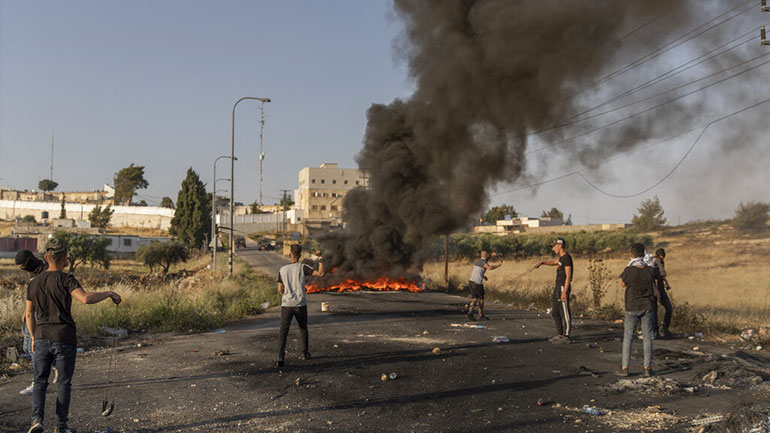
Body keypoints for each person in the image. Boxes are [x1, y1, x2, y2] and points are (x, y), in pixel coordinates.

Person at [25, 238, 122, 433]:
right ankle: (61, 427)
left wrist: (34, 338)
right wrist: (109, 293)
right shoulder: (67, 279)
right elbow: (85, 299)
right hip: (64, 338)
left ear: (46, 258)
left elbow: (29, 314)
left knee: (40, 381)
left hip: (42, 337)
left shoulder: (34, 283)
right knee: (63, 383)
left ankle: (37, 421)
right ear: (66, 259)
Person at [15, 250, 56, 396]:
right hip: (32, 313)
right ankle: (54, 363)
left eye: (22, 266)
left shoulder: (45, 271)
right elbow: (31, 295)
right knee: (27, 347)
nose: (22, 269)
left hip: (41, 315)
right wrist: (27, 311)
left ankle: (37, 382)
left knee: (34, 348)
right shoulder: (32, 271)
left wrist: (32, 312)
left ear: (28, 262)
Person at [276, 244, 324, 367]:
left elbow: (280, 289)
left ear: (289, 255)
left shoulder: (282, 270)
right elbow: (320, 273)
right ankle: (304, 353)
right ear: (300, 256)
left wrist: (286, 294)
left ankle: (280, 357)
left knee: (283, 331)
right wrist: (320, 258)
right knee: (303, 329)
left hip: (286, 305)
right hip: (300, 304)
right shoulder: (303, 267)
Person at [616, 242, 659, 377]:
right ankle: (647, 367)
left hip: (632, 306)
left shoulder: (628, 270)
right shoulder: (650, 270)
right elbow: (659, 275)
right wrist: (651, 262)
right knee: (647, 338)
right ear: (643, 254)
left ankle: (625, 368)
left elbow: (623, 284)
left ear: (631, 255)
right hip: (647, 305)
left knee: (628, 337)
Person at [535, 238, 573, 343]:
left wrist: (564, 292)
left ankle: (566, 335)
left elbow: (568, 276)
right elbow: (554, 262)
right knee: (555, 312)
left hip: (562, 287)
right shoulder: (561, 258)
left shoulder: (567, 258)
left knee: (564, 312)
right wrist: (542, 262)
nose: (553, 248)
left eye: (554, 246)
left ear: (560, 246)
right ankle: (560, 334)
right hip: (557, 287)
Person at [466, 251, 502, 321]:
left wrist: (483, 276)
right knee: (481, 299)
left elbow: (478, 272)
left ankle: (470, 312)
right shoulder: (483, 262)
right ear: (487, 256)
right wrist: (499, 265)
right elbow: (489, 268)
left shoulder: (478, 261)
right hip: (477, 283)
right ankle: (480, 315)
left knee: (475, 299)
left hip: (471, 282)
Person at [652, 248, 673, 338]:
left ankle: (664, 328)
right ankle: (655, 330)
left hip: (661, 287)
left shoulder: (661, 262)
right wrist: (656, 291)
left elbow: (662, 275)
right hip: (654, 288)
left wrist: (666, 283)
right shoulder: (652, 263)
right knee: (654, 310)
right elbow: (652, 277)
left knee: (669, 308)